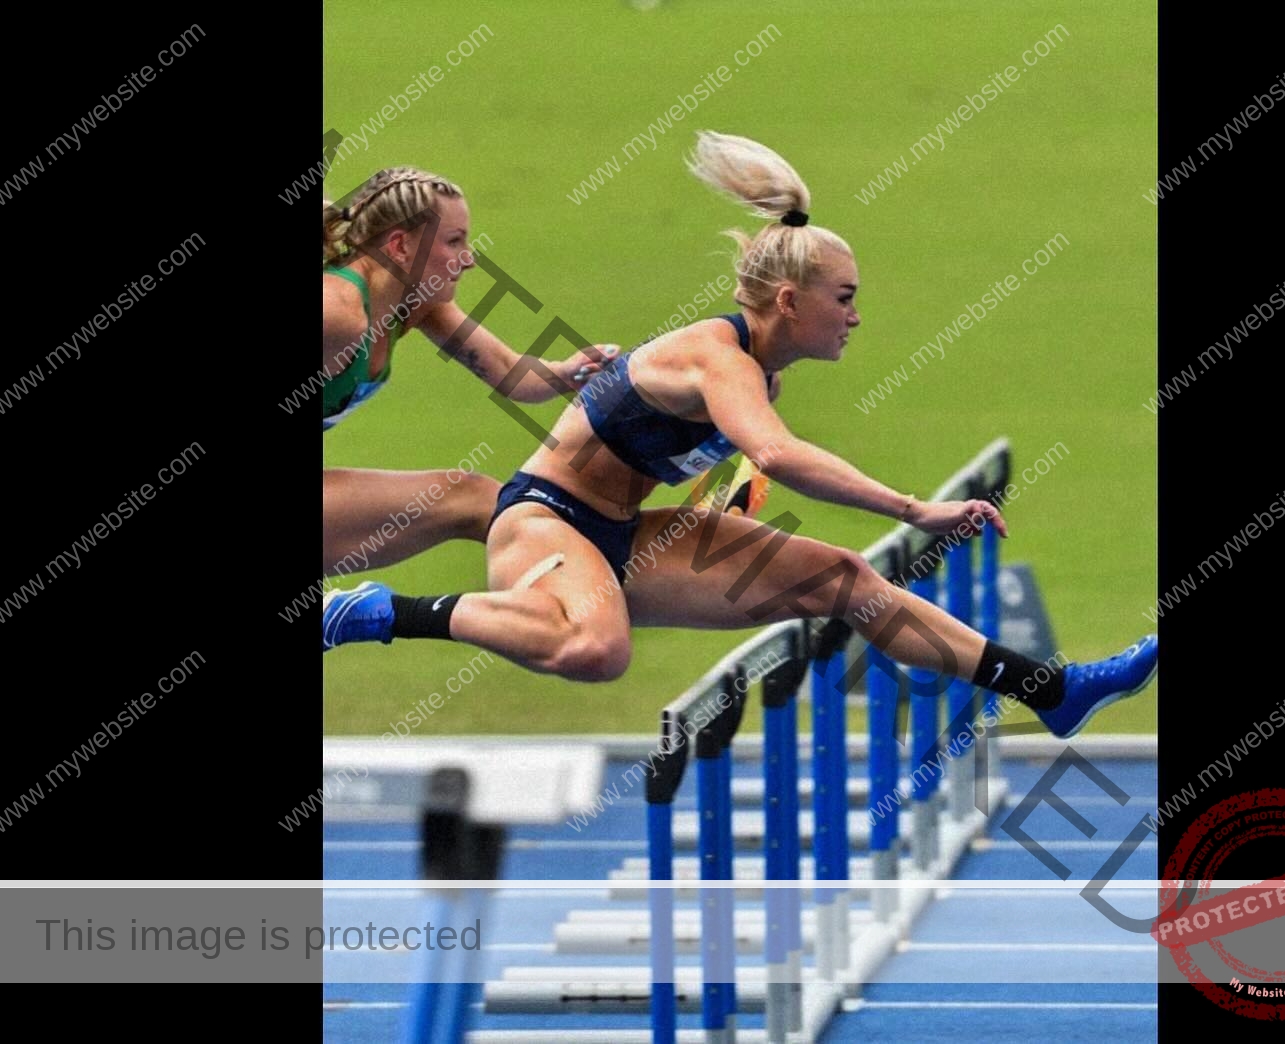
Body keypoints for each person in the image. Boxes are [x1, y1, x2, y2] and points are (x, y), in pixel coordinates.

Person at [323, 134, 1156, 739]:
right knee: (597, 650)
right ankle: (381, 612)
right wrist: (914, 509)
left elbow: (712, 457)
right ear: (790, 301)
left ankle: (1050, 691)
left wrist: (717, 502)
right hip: (543, 521)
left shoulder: (761, 374)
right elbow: (779, 454)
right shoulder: (717, 360)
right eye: (844, 298)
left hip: (620, 533)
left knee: (842, 579)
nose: (857, 317)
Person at [321, 166, 617, 576]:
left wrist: (574, 372)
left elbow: (511, 373)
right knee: (472, 499)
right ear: (401, 246)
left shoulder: (414, 303)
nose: (469, 259)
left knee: (485, 503)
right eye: (454, 241)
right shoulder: (337, 312)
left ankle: (590, 585)